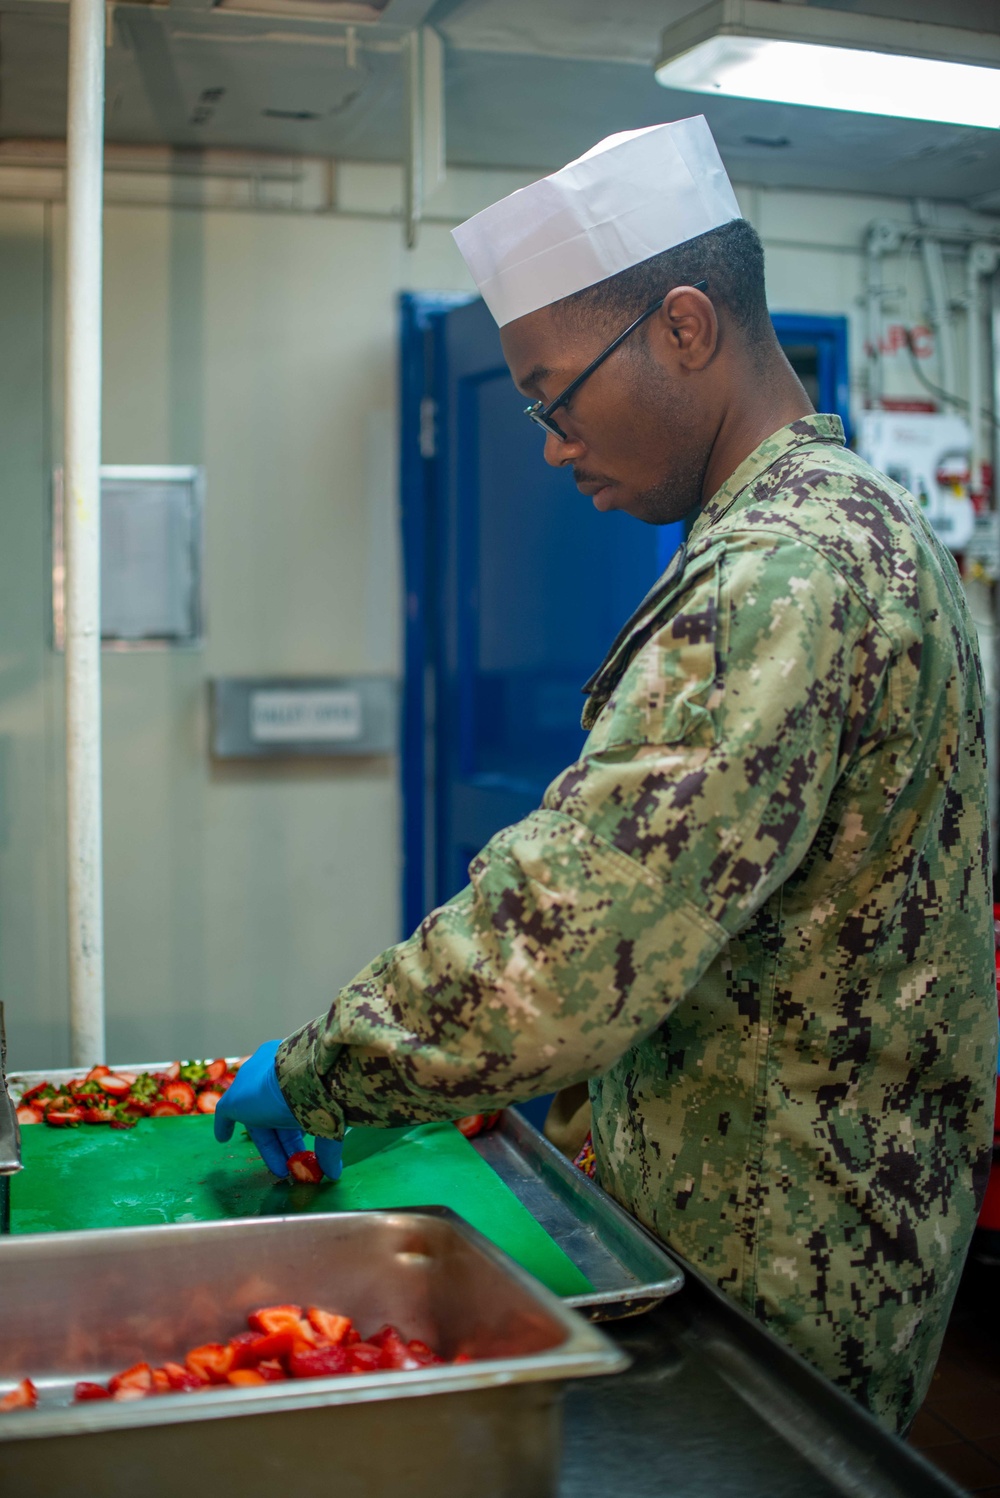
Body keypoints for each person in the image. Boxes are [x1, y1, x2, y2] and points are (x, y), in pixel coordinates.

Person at [216, 117, 997, 1432]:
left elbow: (571, 935)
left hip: (785, 1276)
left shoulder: (781, 571)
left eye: (556, 393)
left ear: (687, 327)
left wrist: (326, 1065)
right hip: (808, 1216)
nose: (550, 441)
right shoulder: (849, 518)